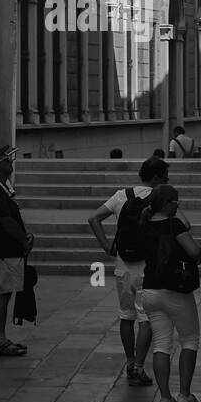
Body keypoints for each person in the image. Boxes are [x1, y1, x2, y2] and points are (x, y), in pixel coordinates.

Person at [85, 156, 167, 387]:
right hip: (147, 266)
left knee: (125, 315)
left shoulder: (122, 195)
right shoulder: (158, 198)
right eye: (165, 176)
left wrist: (106, 246)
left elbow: (93, 218)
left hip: (123, 264)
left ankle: (130, 361)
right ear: (157, 176)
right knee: (146, 318)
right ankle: (139, 368)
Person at [137, 185, 201, 402]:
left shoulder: (144, 225)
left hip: (150, 292)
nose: (178, 205)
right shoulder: (174, 224)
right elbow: (194, 252)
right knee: (189, 340)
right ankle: (185, 395)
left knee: (161, 344)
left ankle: (165, 398)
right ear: (168, 204)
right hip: (175, 290)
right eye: (176, 202)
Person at [0, 146, 34, 356]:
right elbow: (5, 220)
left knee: (6, 292)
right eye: (6, 159)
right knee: (2, 294)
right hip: (2, 249)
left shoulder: (1, 186)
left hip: (9, 249)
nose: (10, 162)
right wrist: (23, 239)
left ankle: (1, 338)